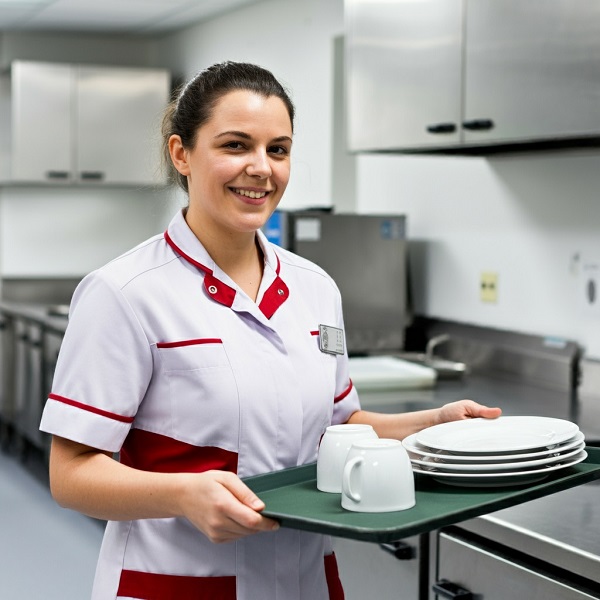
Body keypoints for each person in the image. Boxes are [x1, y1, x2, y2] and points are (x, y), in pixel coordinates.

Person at [40, 61, 501, 600]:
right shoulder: (125, 293)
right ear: (181, 154)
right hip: (179, 584)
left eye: (277, 149)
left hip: (306, 582)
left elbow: (340, 424)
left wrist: (434, 423)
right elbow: (71, 474)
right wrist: (183, 494)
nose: (261, 168)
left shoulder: (315, 287)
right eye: (236, 145)